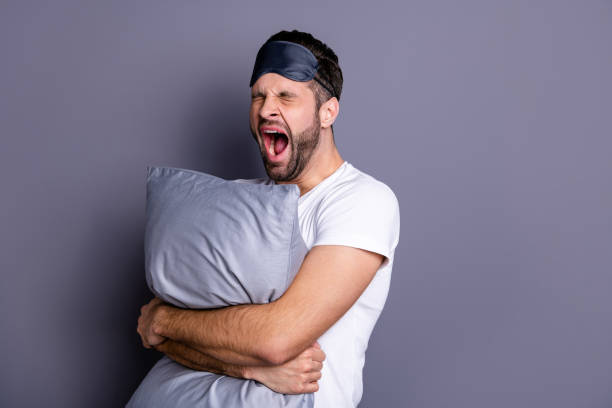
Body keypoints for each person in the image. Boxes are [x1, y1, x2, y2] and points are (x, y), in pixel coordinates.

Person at [137, 29, 400, 408]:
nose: (265, 109)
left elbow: (276, 339)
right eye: (258, 95)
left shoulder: (362, 201)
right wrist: (249, 369)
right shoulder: (241, 200)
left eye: (285, 96)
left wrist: (168, 320)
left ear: (328, 112)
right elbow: (150, 333)